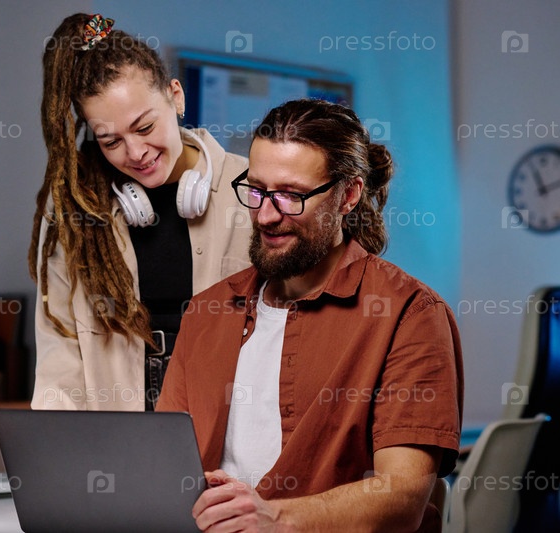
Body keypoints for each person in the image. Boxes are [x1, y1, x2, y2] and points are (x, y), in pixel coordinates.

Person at [157, 99, 463, 532]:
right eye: (257, 190)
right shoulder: (207, 310)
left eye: (290, 195)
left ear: (348, 195)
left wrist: (273, 518)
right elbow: (168, 468)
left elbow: (402, 497)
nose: (265, 215)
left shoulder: (411, 315)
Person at [28, 14, 251, 411]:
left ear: (176, 96)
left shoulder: (251, 189)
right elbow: (60, 353)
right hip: (120, 430)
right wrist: (59, 439)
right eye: (110, 141)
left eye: (145, 127)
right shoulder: (75, 208)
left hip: (229, 424)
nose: (136, 153)